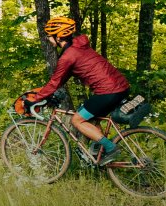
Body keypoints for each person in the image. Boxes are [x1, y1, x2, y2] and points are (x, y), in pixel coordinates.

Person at [26, 16, 130, 166]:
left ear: (59, 36)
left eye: (50, 35)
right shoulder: (78, 47)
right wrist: (46, 93)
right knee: (90, 116)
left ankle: (110, 148)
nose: (48, 39)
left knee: (77, 120)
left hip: (108, 91)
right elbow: (62, 79)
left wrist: (35, 99)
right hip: (120, 87)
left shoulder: (68, 56)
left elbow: (55, 81)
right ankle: (98, 149)